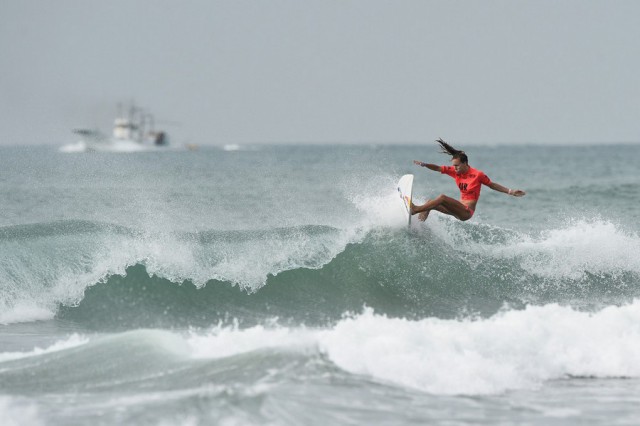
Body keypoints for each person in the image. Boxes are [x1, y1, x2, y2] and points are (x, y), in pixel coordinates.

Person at [411, 139, 526, 222]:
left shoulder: (477, 175)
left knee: (442, 198)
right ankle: (419, 224)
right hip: (456, 209)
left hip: (466, 212)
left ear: (465, 163)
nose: (454, 168)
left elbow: (492, 185)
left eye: (457, 165)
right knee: (430, 202)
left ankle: (415, 209)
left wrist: (510, 191)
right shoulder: (455, 171)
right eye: (453, 166)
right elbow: (437, 168)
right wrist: (425, 164)